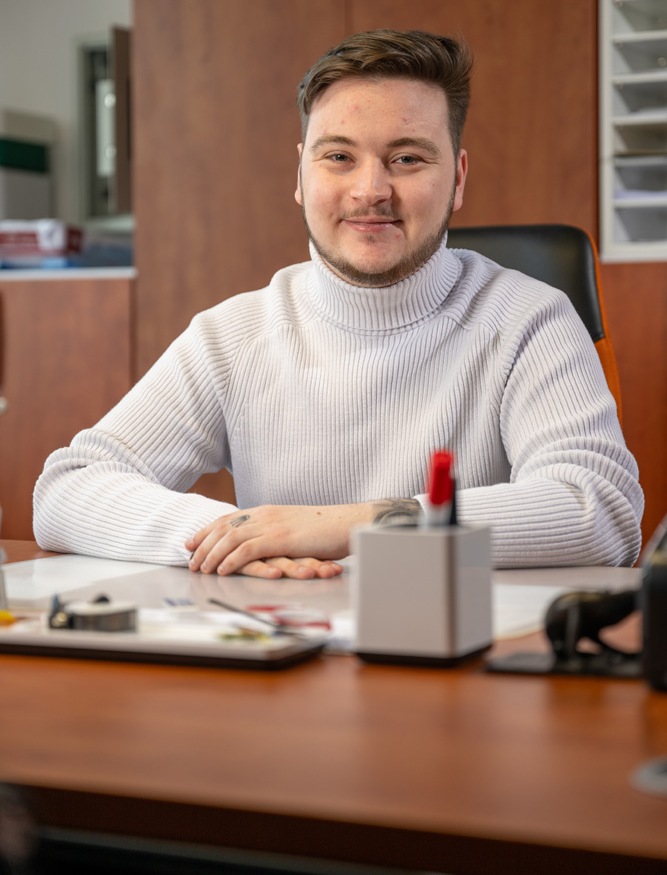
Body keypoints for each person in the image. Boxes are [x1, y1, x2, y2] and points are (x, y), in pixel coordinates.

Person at [33, 29, 643, 577]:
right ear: (301, 175)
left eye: (407, 157)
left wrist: (341, 528)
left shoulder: (530, 319)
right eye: (338, 156)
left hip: (465, 667)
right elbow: (68, 490)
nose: (370, 189)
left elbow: (600, 509)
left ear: (458, 179)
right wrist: (242, 541)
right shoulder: (232, 336)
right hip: (282, 658)